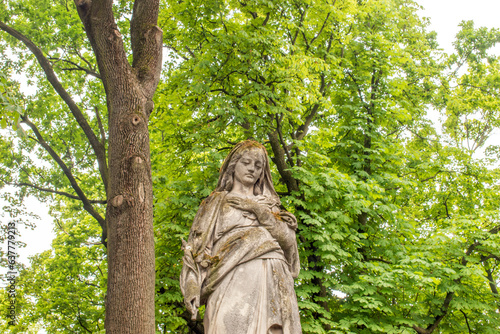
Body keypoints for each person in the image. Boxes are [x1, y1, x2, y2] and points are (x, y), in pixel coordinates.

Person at [180, 140, 302, 334]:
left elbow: (288, 243)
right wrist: (192, 286)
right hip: (227, 277)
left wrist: (257, 210)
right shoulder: (215, 203)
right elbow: (196, 250)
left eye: (258, 166)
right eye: (246, 162)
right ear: (233, 165)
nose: (252, 169)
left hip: (271, 275)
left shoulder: (270, 206)